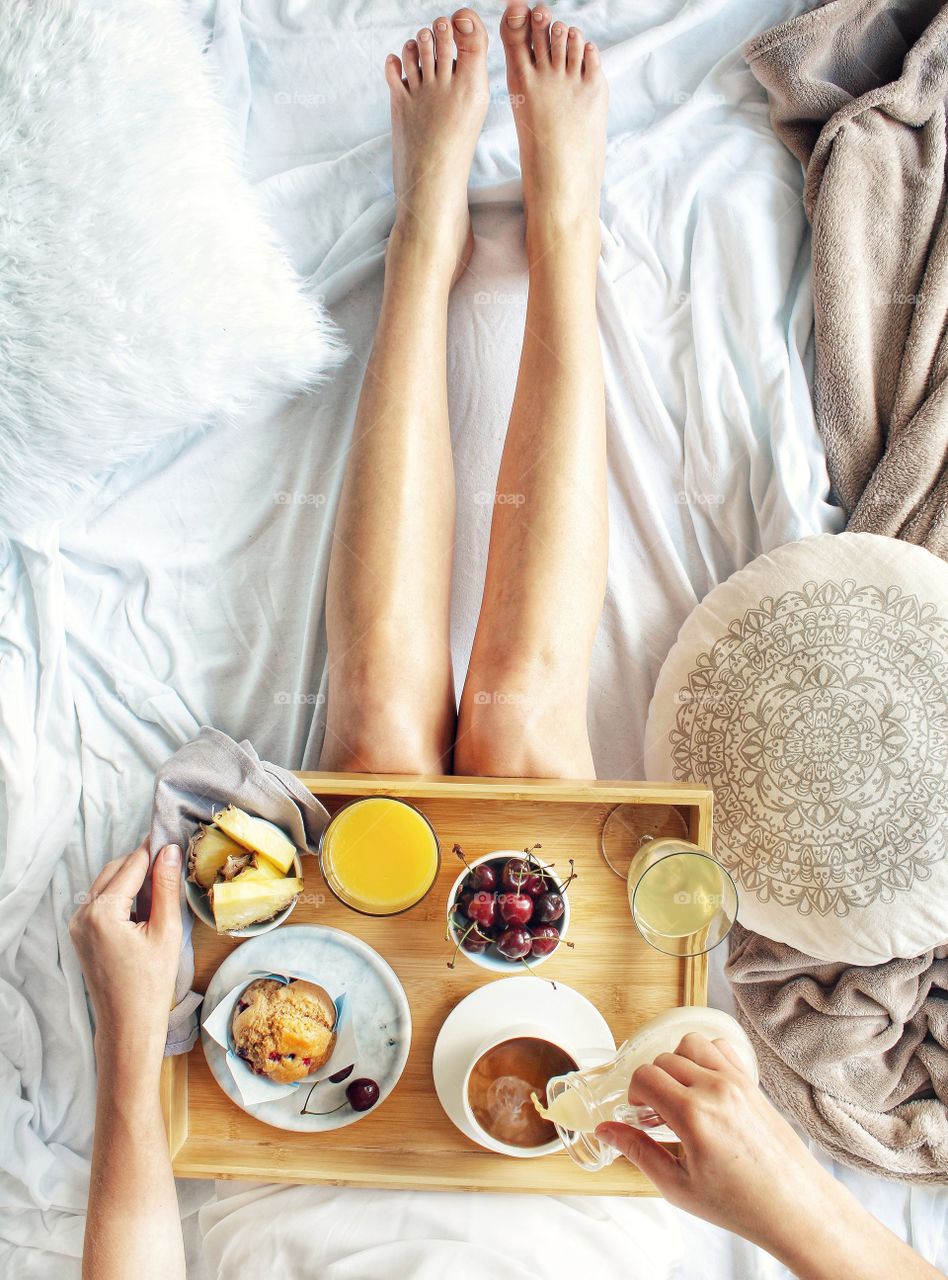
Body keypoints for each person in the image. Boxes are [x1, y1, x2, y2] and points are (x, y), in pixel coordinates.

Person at [67, 7, 944, 1280]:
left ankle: (425, 239)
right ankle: (562, 238)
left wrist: (128, 1032)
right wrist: (785, 1202)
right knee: (524, 721)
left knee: (374, 726)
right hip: (587, 1172)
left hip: (318, 1161)